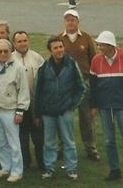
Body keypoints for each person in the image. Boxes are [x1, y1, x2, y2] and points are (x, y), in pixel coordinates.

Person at [90, 31, 123, 185]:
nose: (99, 47)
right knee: (108, 140)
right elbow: (93, 86)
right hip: (104, 107)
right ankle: (115, 170)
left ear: (110, 46)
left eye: (102, 45)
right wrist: (93, 105)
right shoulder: (96, 60)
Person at [35, 36, 85, 180]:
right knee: (49, 142)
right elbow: (38, 91)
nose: (59, 50)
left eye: (61, 47)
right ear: (50, 51)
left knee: (68, 141)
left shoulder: (71, 65)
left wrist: (72, 104)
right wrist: (37, 113)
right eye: (55, 48)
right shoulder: (44, 67)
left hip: (65, 111)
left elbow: (81, 87)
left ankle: (71, 168)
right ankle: (49, 168)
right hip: (48, 112)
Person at [0, 39, 30, 183]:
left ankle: (17, 171)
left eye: (6, 51)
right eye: (0, 51)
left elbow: (23, 91)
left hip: (10, 110)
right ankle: (5, 167)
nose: (3, 54)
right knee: (0, 141)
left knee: (13, 142)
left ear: (11, 51)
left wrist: (20, 111)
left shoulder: (18, 68)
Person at [59, 10, 99, 161]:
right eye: (68, 20)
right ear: (65, 22)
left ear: (78, 22)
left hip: (84, 82)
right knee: (64, 116)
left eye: (73, 20)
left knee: (87, 118)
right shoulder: (59, 38)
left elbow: (94, 59)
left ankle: (91, 148)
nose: (70, 23)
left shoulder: (86, 38)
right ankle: (62, 147)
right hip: (66, 83)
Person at [11, 31, 45, 172]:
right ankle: (25, 163)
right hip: (18, 106)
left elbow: (43, 81)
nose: (23, 43)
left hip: (35, 105)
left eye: (25, 40)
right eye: (19, 41)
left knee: (39, 138)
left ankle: (42, 163)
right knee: (22, 138)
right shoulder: (10, 59)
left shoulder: (37, 58)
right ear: (14, 44)